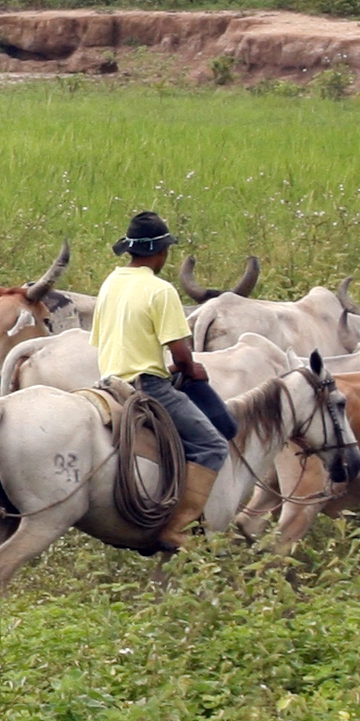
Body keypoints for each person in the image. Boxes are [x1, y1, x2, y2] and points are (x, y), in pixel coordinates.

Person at [89, 210, 238, 551]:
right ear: (161, 253)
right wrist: (189, 369)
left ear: (130, 250)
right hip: (148, 387)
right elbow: (181, 355)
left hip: (109, 382)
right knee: (212, 445)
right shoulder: (160, 290)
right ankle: (178, 528)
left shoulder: (110, 283)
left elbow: (108, 343)